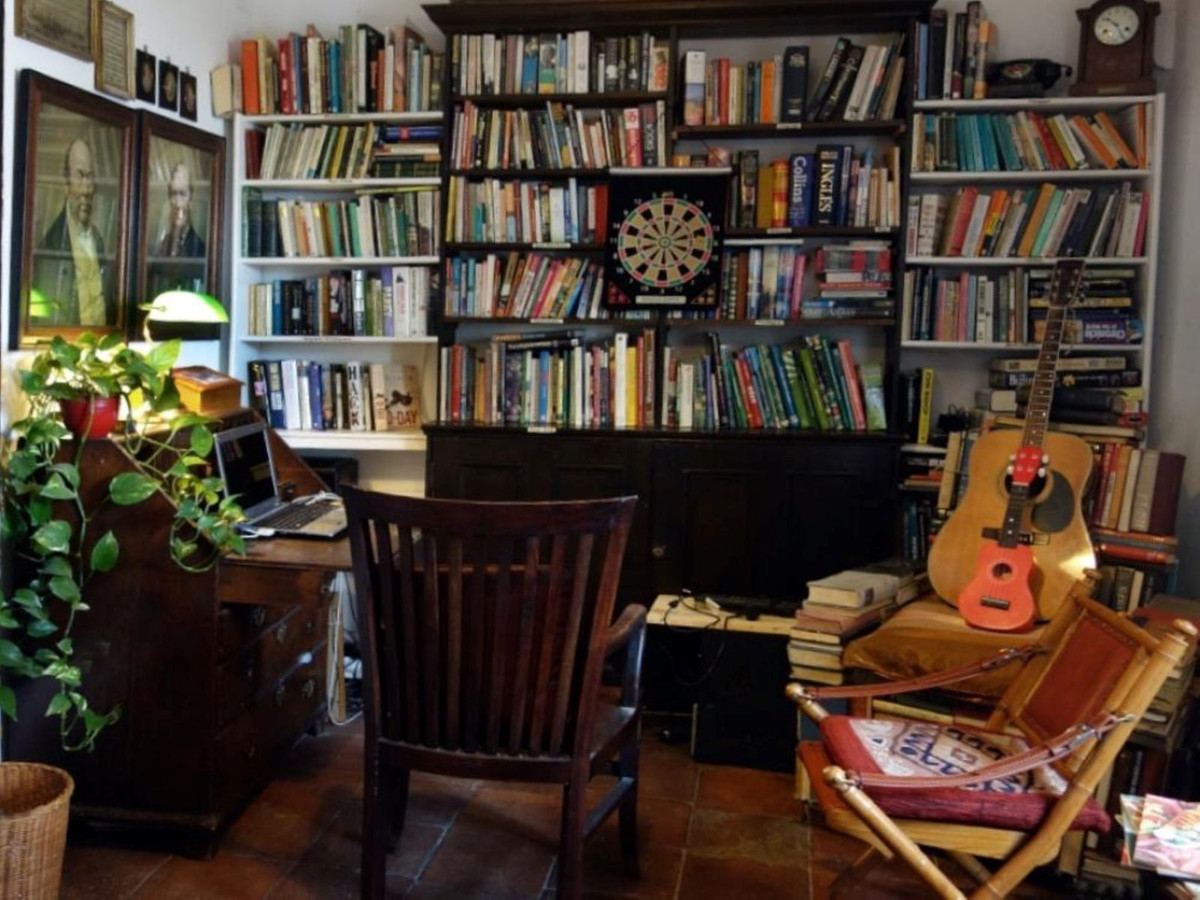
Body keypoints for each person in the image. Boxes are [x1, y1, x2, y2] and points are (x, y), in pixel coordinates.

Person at [30, 137, 113, 327]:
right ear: (66, 183)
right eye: (79, 176)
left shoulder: (99, 241)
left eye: (90, 177)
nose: (86, 189)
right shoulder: (51, 245)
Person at [157, 163, 205, 258]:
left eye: (182, 194)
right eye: (174, 194)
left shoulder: (200, 249)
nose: (178, 203)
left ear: (191, 200)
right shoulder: (162, 247)